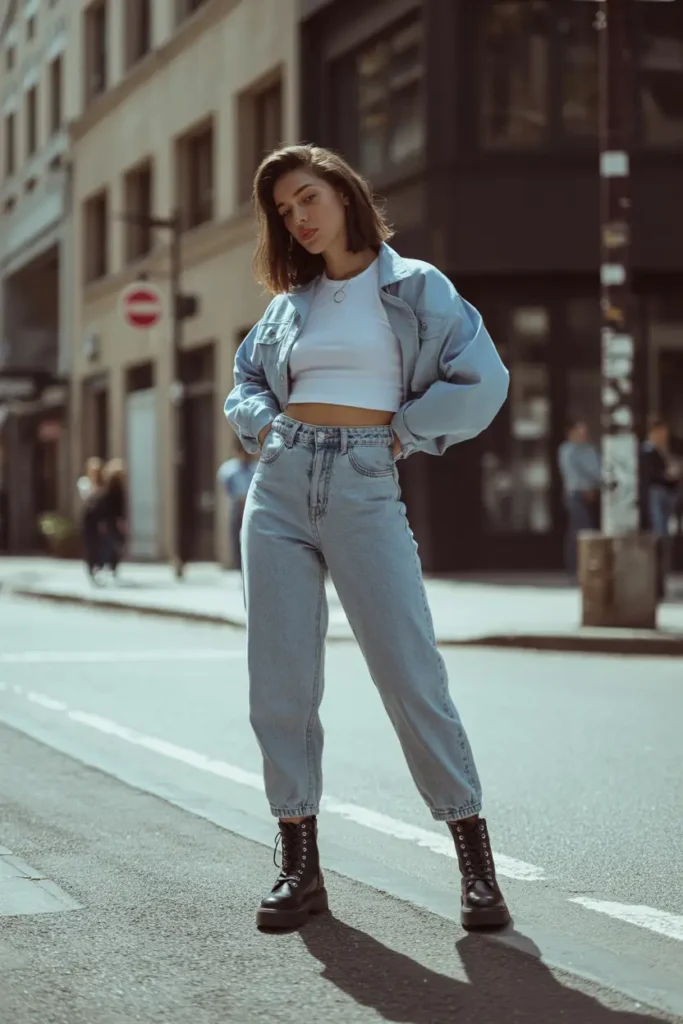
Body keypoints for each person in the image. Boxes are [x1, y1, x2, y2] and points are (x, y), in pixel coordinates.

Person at [224, 144, 510, 933]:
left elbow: (483, 379)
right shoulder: (291, 304)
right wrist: (262, 424)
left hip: (363, 484)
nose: (299, 218)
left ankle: (474, 862)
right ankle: (298, 865)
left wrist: (405, 433)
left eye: (308, 197)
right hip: (278, 490)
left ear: (345, 194)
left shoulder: (417, 286)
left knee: (408, 671)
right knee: (279, 684)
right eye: (284, 211)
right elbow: (244, 380)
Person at [641, 416, 681, 598]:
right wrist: (667, 475)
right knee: (660, 538)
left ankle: (662, 581)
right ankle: (656, 584)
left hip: (670, 497)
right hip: (657, 497)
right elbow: (651, 476)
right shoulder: (647, 452)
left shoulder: (666, 451)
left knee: (666, 540)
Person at [557, 420, 601, 580]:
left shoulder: (589, 449)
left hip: (592, 495)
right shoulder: (568, 450)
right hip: (576, 495)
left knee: (582, 531)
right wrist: (586, 487)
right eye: (579, 431)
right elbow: (575, 474)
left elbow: (598, 469)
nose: (583, 435)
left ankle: (582, 569)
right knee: (582, 531)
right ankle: (576, 570)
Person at [217, 447, 256, 572]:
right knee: (236, 538)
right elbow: (226, 488)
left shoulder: (256, 468)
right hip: (236, 506)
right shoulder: (229, 469)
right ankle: (240, 567)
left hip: (252, 507)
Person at [98, 458, 128, 577]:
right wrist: (121, 520)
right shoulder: (115, 489)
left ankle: (110, 564)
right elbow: (118, 506)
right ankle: (111, 564)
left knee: (113, 543)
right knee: (116, 543)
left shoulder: (109, 488)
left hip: (111, 519)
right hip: (114, 519)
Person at [78, 457, 106, 581]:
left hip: (101, 515)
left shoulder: (103, 483)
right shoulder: (85, 482)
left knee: (101, 541)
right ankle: (91, 565)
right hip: (89, 516)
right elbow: (87, 498)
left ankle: (100, 565)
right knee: (90, 542)